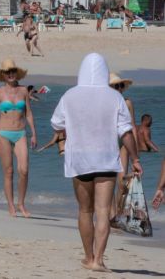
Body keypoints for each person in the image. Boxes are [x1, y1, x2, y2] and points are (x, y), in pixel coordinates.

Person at [51, 53, 142, 273]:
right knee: (102, 211)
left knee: (85, 211)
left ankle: (88, 256)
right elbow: (126, 132)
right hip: (106, 160)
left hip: (80, 160)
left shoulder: (70, 95)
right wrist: (136, 159)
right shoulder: (115, 97)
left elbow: (56, 123)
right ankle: (98, 260)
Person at [0, 59, 37, 217]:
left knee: (24, 170)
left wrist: (34, 133)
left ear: (17, 73)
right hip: (3, 133)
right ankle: (11, 206)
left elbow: (28, 113)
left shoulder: (23, 91)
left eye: (13, 71)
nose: (10, 74)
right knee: (8, 171)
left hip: (20, 133)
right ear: (2, 75)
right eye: (7, 72)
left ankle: (21, 203)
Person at [109, 73, 138, 221]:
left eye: (120, 86)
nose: (119, 88)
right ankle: (111, 214)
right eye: (115, 86)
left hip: (124, 143)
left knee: (122, 181)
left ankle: (118, 216)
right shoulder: (105, 103)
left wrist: (136, 154)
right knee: (109, 182)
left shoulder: (127, 103)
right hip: (108, 143)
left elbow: (132, 126)